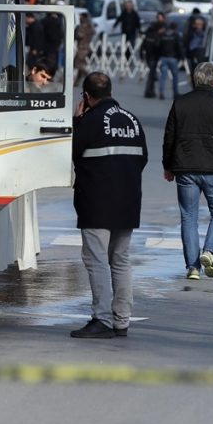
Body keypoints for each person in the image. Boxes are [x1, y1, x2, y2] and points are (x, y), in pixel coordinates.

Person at [70, 72, 148, 339]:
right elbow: (143, 158)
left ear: (86, 96)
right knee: (120, 260)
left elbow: (71, 151)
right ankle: (121, 320)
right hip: (127, 202)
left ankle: (101, 319)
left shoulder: (89, 121)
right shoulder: (132, 120)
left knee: (96, 260)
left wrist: (76, 121)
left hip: (97, 202)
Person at [162, 62, 213, 280]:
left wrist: (167, 165)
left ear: (194, 80)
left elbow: (170, 137)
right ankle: (210, 251)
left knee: (189, 217)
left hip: (185, 168)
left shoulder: (181, 102)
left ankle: (193, 267)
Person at [157, 21, 184, 99]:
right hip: (173, 58)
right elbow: (179, 46)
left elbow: (159, 46)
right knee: (175, 76)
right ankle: (175, 93)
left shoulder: (163, 35)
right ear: (176, 28)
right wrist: (182, 57)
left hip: (163, 57)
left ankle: (161, 92)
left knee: (163, 76)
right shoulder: (176, 35)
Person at [140, 21, 163, 98]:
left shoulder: (148, 35)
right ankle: (148, 91)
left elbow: (142, 47)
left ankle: (151, 91)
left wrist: (141, 57)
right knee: (151, 75)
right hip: (154, 57)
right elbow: (157, 47)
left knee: (152, 74)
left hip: (148, 57)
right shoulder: (157, 36)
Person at [73, 12, 96, 85]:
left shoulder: (83, 26)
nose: (79, 18)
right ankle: (77, 81)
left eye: (80, 17)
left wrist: (75, 32)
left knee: (77, 64)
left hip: (82, 47)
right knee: (80, 64)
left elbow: (79, 35)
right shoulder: (90, 25)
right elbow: (93, 32)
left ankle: (91, 77)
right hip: (86, 47)